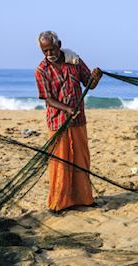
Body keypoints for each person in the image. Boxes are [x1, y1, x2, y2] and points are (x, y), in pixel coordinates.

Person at [34, 31, 103, 213]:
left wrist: (96, 77)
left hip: (78, 119)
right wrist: (67, 109)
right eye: (45, 51)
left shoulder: (74, 61)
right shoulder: (41, 70)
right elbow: (48, 99)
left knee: (81, 159)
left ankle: (84, 199)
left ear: (59, 44)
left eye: (51, 49)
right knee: (60, 162)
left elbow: (89, 83)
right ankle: (59, 202)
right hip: (58, 122)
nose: (49, 54)